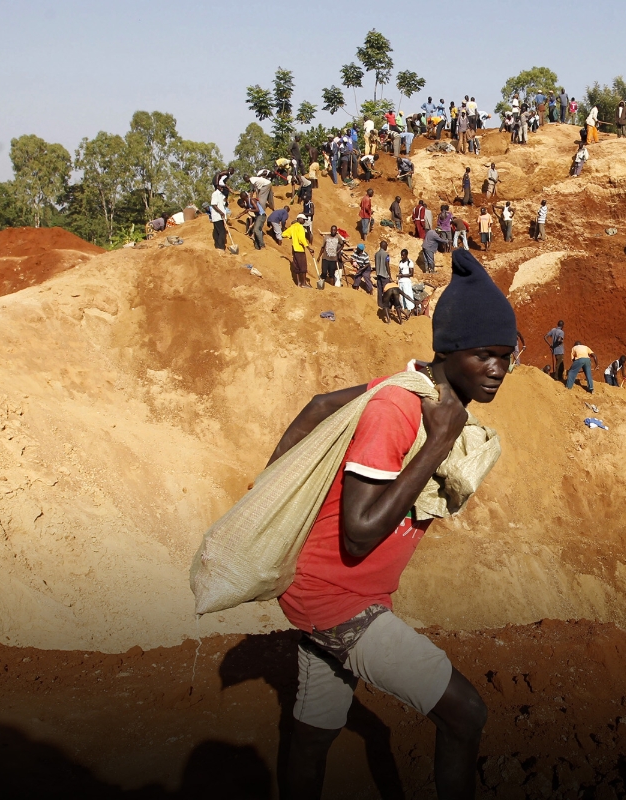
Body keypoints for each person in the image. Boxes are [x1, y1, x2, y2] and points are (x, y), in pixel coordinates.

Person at [275, 248, 515, 800]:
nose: (498, 370)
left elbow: (321, 403)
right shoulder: (402, 412)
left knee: (314, 735)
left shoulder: (413, 391)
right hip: (336, 596)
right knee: (465, 713)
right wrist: (436, 445)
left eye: (507, 356)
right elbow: (359, 533)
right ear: (452, 349)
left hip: (343, 593)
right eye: (486, 354)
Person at [283, 213, 312, 288]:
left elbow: (284, 234)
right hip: (300, 250)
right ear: (299, 219)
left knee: (297, 266)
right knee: (303, 267)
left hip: (294, 249)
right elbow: (301, 239)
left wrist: (291, 237)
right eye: (303, 220)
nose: (304, 221)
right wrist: (309, 248)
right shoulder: (300, 227)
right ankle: (304, 284)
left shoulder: (292, 227)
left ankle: (299, 283)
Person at [210, 185, 229, 252]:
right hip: (217, 216)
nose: (223, 188)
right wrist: (221, 212)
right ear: (218, 187)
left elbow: (224, 205)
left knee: (217, 231)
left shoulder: (222, 195)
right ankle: (221, 247)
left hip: (221, 216)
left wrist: (226, 199)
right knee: (222, 231)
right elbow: (213, 205)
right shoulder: (215, 194)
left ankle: (217, 246)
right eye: (222, 187)